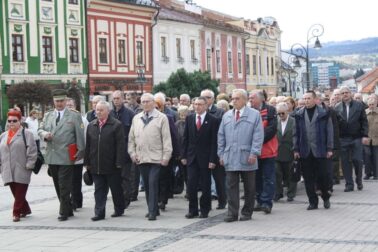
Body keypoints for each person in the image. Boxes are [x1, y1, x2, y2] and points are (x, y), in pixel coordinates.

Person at [38, 89, 85, 221]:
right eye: (57, 101)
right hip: (52, 155)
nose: (59, 103)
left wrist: (81, 151)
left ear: (66, 100)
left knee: (64, 184)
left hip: (66, 156)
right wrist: (44, 135)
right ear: (53, 101)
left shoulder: (74, 116)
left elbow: (79, 135)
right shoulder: (48, 115)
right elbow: (40, 129)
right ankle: (68, 208)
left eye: (61, 101)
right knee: (57, 184)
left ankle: (63, 211)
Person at [218, 89, 264, 222]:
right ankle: (232, 213)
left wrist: (254, 153)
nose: (234, 101)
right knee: (231, 186)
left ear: (244, 100)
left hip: (247, 156)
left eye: (237, 98)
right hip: (230, 156)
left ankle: (247, 212)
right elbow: (221, 136)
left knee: (249, 187)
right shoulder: (227, 115)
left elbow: (258, 136)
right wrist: (221, 154)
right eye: (232, 98)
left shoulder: (254, 115)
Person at [128, 93, 172, 221]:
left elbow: (166, 138)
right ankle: (154, 208)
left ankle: (152, 211)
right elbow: (131, 139)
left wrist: (166, 156)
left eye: (148, 101)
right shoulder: (136, 118)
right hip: (141, 157)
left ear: (153, 103)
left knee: (152, 183)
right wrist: (132, 153)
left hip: (156, 157)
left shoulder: (161, 118)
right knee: (147, 185)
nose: (145, 104)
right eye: (143, 102)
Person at [85, 101, 126, 221]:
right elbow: (88, 145)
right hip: (96, 165)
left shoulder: (116, 125)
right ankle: (99, 213)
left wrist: (119, 162)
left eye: (101, 110)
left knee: (116, 189)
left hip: (112, 165)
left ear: (108, 111)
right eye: (97, 110)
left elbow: (120, 145)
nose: (98, 112)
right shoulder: (91, 125)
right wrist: (87, 162)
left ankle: (119, 208)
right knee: (99, 190)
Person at [294, 91, 333, 210]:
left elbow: (329, 131)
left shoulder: (323, 113)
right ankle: (312, 201)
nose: (306, 101)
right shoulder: (299, 114)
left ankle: (325, 197)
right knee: (308, 178)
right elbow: (295, 133)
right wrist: (295, 149)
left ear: (315, 99)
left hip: (320, 150)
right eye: (304, 98)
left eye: (308, 98)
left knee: (322, 176)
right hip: (305, 150)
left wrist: (329, 148)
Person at [181, 97, 218, 219]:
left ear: (206, 105)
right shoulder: (190, 118)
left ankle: (205, 209)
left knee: (205, 185)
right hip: (192, 158)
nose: (197, 106)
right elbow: (185, 139)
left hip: (206, 159)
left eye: (200, 104)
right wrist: (183, 155)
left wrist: (213, 159)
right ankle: (193, 210)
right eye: (195, 104)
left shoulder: (212, 120)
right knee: (191, 185)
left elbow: (214, 142)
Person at [0, 109, 37, 222]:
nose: (11, 123)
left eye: (14, 121)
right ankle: (25, 209)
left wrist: (29, 165)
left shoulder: (27, 134)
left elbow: (32, 151)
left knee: (20, 192)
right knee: (16, 193)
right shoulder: (3, 135)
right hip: (7, 169)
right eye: (9, 121)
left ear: (20, 121)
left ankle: (16, 213)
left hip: (22, 168)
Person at [334, 86, 369, 192]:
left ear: (351, 94)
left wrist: (365, 135)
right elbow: (335, 125)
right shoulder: (337, 107)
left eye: (347, 92)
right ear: (340, 95)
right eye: (343, 93)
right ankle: (349, 184)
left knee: (357, 160)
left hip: (357, 137)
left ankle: (359, 180)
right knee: (345, 162)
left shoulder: (359, 106)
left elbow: (364, 121)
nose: (345, 94)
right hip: (343, 138)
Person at [249, 90, 278, 214]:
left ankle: (267, 202)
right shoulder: (249, 112)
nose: (250, 100)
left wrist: (258, 139)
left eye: (252, 98)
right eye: (249, 98)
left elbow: (272, 129)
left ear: (261, 99)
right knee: (256, 178)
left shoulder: (270, 110)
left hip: (268, 150)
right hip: (254, 152)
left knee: (268, 178)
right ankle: (259, 200)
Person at [201, 89, 227, 210]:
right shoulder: (197, 110)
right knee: (204, 180)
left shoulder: (220, 112)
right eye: (202, 97)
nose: (205, 99)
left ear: (213, 99)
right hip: (203, 151)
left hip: (216, 149)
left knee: (219, 179)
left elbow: (222, 131)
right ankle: (206, 204)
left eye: (207, 97)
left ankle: (222, 201)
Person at [110, 90, 136, 209]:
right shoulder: (109, 113)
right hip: (112, 151)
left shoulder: (130, 114)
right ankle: (119, 198)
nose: (116, 101)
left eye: (118, 98)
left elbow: (134, 133)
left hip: (125, 150)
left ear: (123, 99)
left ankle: (126, 199)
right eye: (114, 98)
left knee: (126, 176)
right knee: (115, 177)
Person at [66, 98, 88, 210]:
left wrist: (84, 153)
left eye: (71, 105)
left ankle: (77, 201)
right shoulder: (62, 119)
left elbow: (85, 136)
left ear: (75, 106)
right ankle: (69, 201)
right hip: (64, 157)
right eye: (67, 105)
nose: (69, 107)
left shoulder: (82, 119)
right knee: (66, 181)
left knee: (76, 180)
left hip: (77, 155)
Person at [275, 102, 297, 202]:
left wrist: (296, 149)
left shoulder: (294, 122)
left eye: (282, 113)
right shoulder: (276, 122)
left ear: (287, 111)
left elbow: (297, 136)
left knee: (290, 174)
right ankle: (278, 193)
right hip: (277, 152)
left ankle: (291, 194)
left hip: (290, 151)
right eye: (278, 113)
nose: (280, 115)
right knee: (277, 174)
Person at [363, 97, 378, 180]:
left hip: (376, 138)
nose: (371, 106)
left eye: (373, 104)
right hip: (367, 138)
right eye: (370, 104)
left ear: (376, 104)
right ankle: (367, 174)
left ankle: (376, 174)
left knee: (376, 157)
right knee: (367, 156)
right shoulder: (365, 113)